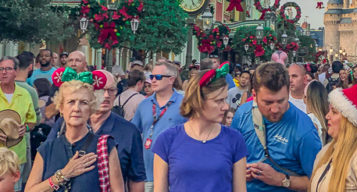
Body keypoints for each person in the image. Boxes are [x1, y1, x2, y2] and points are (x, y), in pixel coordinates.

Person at [45, 69, 146, 192]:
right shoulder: (66, 124)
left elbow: (136, 178)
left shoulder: (129, 131)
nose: (106, 95)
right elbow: (46, 158)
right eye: (100, 90)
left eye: (111, 90)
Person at [153, 64, 247, 192]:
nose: (225, 107)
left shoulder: (234, 139)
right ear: (198, 101)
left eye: (225, 99)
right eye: (218, 100)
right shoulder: (167, 140)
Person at [231, 62, 321, 191]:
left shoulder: (305, 131)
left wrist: (281, 179)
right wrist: (238, 171)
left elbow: (319, 182)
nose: (274, 109)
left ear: (288, 91)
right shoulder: (242, 114)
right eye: (267, 102)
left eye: (281, 101)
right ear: (254, 95)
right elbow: (228, 159)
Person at [26, 78, 124, 192]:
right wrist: (63, 174)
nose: (76, 108)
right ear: (61, 108)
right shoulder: (47, 149)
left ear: (91, 109)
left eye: (84, 102)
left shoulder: (105, 146)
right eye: (71, 102)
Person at [131, 60, 186, 192]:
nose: (153, 80)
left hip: (175, 175)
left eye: (158, 77)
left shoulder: (184, 104)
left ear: (171, 79)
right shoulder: (144, 104)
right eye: (151, 77)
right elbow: (133, 133)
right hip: (147, 174)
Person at [0, 56, 36, 191]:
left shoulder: (25, 94)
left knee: (15, 188)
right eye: (1, 69)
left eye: (8, 69)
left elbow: (32, 122)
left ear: (15, 72)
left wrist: (25, 128)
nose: (4, 72)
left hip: (17, 155)